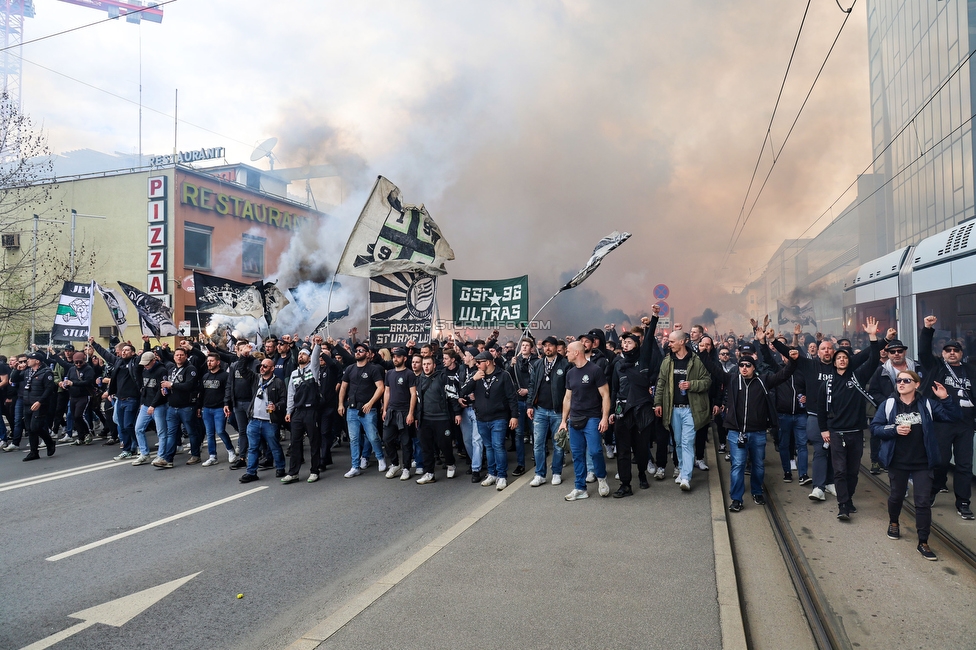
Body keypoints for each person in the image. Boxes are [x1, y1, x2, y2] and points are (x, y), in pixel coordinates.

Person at [701, 335, 799, 511]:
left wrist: (792, 361)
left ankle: (756, 491)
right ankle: (737, 498)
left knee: (758, 465)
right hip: (736, 432)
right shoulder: (732, 380)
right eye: (741, 365)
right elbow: (714, 369)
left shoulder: (764, 381)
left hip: (758, 432)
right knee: (738, 465)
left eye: (748, 365)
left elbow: (784, 374)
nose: (744, 368)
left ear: (754, 367)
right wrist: (703, 353)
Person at [871, 370, 960, 560]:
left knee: (923, 502)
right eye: (899, 380)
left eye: (906, 380)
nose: (901, 383)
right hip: (898, 461)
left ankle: (923, 541)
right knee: (896, 496)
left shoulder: (927, 404)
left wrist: (945, 399)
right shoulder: (889, 404)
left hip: (922, 462)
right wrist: (894, 430)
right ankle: (894, 522)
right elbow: (876, 428)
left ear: (916, 384)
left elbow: (953, 417)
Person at [918, 316, 976, 520]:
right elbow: (923, 351)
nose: (952, 353)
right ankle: (933, 489)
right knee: (940, 461)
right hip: (942, 423)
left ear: (961, 353)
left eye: (956, 350)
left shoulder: (971, 371)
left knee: (964, 464)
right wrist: (927, 329)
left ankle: (963, 502)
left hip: (965, 425)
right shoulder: (936, 367)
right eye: (948, 350)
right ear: (943, 353)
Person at [608, 311, 663, 497]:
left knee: (640, 449)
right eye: (623, 342)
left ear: (637, 344)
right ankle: (625, 484)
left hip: (641, 411)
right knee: (622, 450)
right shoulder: (617, 364)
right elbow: (614, 389)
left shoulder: (644, 359)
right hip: (623, 411)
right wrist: (611, 412)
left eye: (629, 342)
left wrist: (654, 318)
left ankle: (641, 474)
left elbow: (649, 341)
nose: (625, 344)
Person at [817, 346, 874, 520]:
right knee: (840, 470)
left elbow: (872, 359)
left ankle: (848, 498)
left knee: (853, 471)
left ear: (849, 361)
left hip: (856, 432)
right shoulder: (827, 384)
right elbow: (821, 409)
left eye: (845, 357)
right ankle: (843, 505)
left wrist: (874, 338)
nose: (842, 360)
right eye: (839, 358)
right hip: (836, 433)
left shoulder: (858, 378)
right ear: (834, 363)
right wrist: (823, 429)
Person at [654, 331, 712, 491]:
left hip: (691, 410)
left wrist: (691, 385)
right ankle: (680, 468)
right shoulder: (667, 361)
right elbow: (661, 383)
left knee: (687, 442)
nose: (669, 344)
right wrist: (658, 403)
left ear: (682, 342)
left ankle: (686, 477)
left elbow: (707, 382)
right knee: (678, 442)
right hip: (673, 410)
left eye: (672, 342)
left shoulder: (696, 361)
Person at [460, 350, 518, 491]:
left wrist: (514, 416)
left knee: (498, 446)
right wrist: (474, 380)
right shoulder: (476, 375)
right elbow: (462, 392)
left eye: (479, 362)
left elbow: (512, 397)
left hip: (499, 417)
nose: (477, 365)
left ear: (488, 362)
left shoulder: (503, 375)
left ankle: (502, 476)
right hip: (481, 418)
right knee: (489, 447)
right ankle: (492, 474)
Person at [560, 341, 612, 500]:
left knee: (596, 451)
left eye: (568, 351)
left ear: (576, 352)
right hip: (574, 418)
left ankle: (602, 479)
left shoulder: (595, 370)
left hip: (592, 418)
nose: (566, 353)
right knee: (577, 454)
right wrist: (563, 421)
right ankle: (580, 487)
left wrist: (604, 418)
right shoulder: (570, 373)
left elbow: (605, 395)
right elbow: (567, 398)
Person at [867, 338, 921, 474]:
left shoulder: (917, 367)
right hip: (889, 409)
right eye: (892, 351)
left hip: (914, 407)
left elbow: (924, 386)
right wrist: (888, 403)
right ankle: (879, 461)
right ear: (888, 354)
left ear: (904, 352)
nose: (896, 353)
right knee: (883, 434)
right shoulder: (881, 371)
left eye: (899, 351)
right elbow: (873, 391)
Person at [526, 335, 572, 487]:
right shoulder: (538, 364)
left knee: (558, 443)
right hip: (539, 410)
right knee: (538, 444)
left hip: (558, 411)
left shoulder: (565, 364)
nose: (547, 348)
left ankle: (557, 472)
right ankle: (540, 474)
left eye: (550, 345)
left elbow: (569, 389)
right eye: (545, 346)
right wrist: (529, 405)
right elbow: (532, 385)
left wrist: (568, 410)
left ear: (555, 347)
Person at [338, 342, 387, 477]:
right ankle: (355, 466)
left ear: (367, 353)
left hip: (368, 409)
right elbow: (343, 387)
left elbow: (381, 387)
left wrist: (371, 403)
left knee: (372, 436)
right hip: (352, 409)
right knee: (353, 439)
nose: (358, 352)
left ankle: (380, 457)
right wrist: (341, 404)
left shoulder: (373, 369)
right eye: (356, 350)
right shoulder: (350, 369)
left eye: (361, 350)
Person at [238, 357, 287, 483]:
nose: (262, 367)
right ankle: (251, 472)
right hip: (254, 420)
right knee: (253, 448)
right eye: (261, 365)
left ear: (272, 368)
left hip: (270, 421)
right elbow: (242, 369)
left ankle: (281, 467)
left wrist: (276, 406)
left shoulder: (278, 382)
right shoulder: (255, 378)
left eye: (265, 366)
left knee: (274, 445)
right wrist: (244, 356)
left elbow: (284, 400)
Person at [282, 342, 322, 484]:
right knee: (295, 442)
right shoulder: (294, 374)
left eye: (304, 354)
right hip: (298, 413)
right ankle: (293, 472)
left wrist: (316, 346)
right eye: (299, 354)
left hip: (311, 410)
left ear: (309, 358)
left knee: (314, 442)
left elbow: (316, 358)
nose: (301, 355)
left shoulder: (314, 369)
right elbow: (291, 395)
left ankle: (314, 471)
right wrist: (289, 411)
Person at [415, 356, 459, 483]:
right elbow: (417, 400)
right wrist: (417, 416)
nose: (426, 366)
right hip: (425, 419)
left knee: (445, 444)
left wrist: (457, 413)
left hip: (442, 418)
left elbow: (452, 395)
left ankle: (450, 463)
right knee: (426, 447)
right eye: (424, 364)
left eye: (429, 364)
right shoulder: (419, 380)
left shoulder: (443, 377)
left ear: (434, 365)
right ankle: (429, 473)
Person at [157, 348, 200, 467]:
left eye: (181, 355)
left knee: (191, 432)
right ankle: (168, 459)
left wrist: (171, 385)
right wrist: (165, 389)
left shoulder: (190, 369)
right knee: (172, 434)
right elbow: (169, 383)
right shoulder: (171, 369)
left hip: (186, 407)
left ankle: (195, 455)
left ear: (186, 356)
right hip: (172, 407)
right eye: (177, 355)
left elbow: (189, 385)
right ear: (174, 357)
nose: (179, 357)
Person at [382, 347, 418, 481]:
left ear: (404, 358)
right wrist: (385, 409)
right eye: (393, 356)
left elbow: (413, 394)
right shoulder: (389, 373)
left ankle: (406, 468)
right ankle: (395, 464)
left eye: (398, 356)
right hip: (391, 411)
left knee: (406, 442)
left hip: (404, 412)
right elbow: (387, 392)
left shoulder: (409, 374)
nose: (395, 359)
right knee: (387, 439)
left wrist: (410, 413)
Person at [131, 351, 168, 466]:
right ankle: (144, 453)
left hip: (159, 405)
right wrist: (143, 402)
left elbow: (161, 391)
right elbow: (144, 387)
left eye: (147, 363)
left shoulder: (162, 371)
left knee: (161, 432)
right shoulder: (144, 371)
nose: (146, 366)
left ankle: (161, 456)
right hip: (146, 404)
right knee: (138, 428)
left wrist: (153, 405)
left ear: (154, 361)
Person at [199, 352, 236, 466]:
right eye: (208, 361)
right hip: (207, 409)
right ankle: (212, 456)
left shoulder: (225, 376)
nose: (209, 363)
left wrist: (227, 405)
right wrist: (199, 407)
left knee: (220, 431)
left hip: (220, 408)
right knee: (209, 433)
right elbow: (202, 393)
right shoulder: (205, 376)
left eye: (211, 361)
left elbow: (228, 391)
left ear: (218, 362)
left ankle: (231, 451)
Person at [507, 337, 536, 476]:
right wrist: (511, 365)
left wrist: (528, 391)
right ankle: (520, 464)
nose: (524, 347)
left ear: (532, 348)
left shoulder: (537, 361)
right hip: (518, 401)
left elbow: (538, 382)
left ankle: (538, 459)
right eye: (522, 345)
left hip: (532, 402)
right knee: (518, 434)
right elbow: (507, 377)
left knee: (535, 432)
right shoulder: (515, 361)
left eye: (527, 345)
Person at [22, 352, 56, 461]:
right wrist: (17, 369)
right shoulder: (27, 371)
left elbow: (49, 389)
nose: (27, 360)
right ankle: (34, 452)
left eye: (30, 359)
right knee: (30, 429)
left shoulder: (46, 373)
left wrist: (40, 401)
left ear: (37, 361)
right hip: (27, 403)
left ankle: (49, 442)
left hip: (39, 404)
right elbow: (13, 379)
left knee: (35, 427)